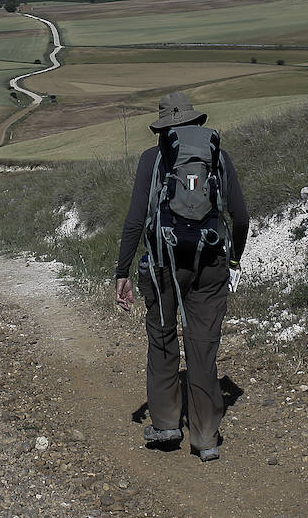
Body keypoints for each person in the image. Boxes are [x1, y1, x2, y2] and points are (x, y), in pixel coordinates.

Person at [114, 91, 249, 462]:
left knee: (162, 337)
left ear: (163, 130)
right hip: (210, 262)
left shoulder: (152, 159)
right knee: (203, 347)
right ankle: (206, 437)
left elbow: (135, 220)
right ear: (195, 123)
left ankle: (167, 423)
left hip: (162, 264)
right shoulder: (218, 157)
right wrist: (232, 257)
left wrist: (121, 271)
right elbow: (240, 217)